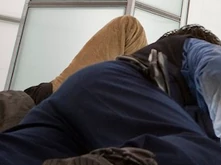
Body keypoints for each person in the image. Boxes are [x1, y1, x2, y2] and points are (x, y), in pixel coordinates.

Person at [0, 25, 221, 165]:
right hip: (122, 86)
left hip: (71, 105)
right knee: (206, 159)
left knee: (21, 163)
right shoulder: (192, 52)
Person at [1, 15, 148, 132]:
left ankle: (147, 108)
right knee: (128, 27)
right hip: (46, 108)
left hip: (39, 106)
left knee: (128, 28)